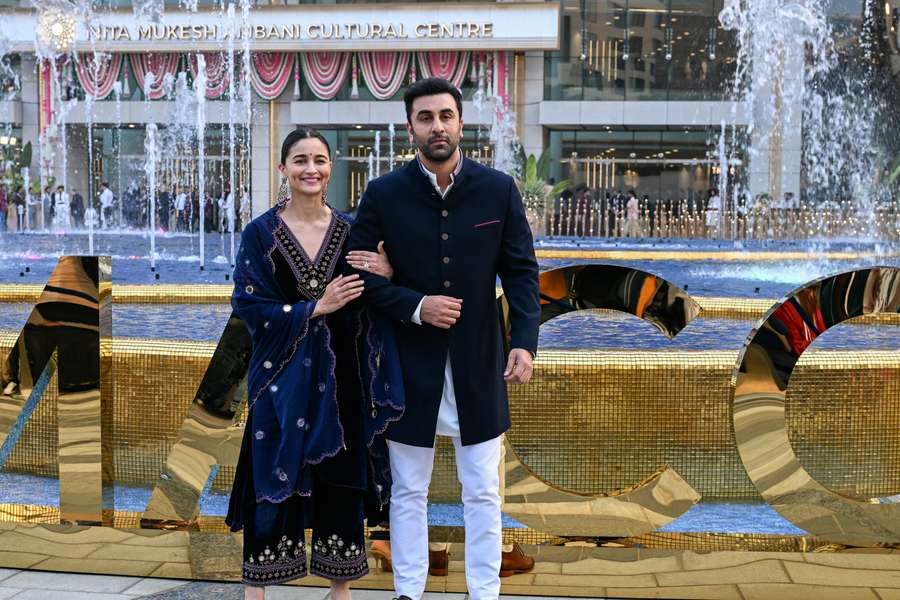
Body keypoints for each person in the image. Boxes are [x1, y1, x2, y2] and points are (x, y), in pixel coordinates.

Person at [347, 77, 540, 600]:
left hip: (480, 364)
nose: (437, 126)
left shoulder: (497, 189)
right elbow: (360, 279)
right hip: (408, 366)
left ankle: (485, 593)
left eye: (446, 116)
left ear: (461, 123)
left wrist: (523, 341)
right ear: (411, 127)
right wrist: (415, 305)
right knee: (409, 491)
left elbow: (522, 273)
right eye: (426, 117)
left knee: (483, 491)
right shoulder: (383, 194)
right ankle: (408, 592)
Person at [226, 128, 405, 600]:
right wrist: (312, 308)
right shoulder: (260, 233)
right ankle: (256, 589)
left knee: (341, 475)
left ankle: (339, 586)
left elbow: (375, 297)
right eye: (300, 160)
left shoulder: (351, 230)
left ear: (331, 167)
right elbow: (247, 304)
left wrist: (387, 274)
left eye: (320, 160)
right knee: (272, 468)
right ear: (283, 168)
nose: (311, 169)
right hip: (279, 375)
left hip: (342, 374)